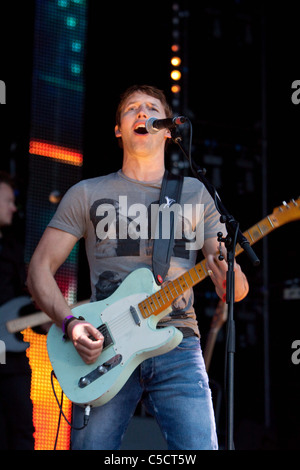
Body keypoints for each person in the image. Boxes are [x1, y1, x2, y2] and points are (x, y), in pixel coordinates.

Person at [27, 84, 249, 450]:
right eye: (132, 108)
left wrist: (228, 276)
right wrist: (71, 323)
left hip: (178, 345)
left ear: (167, 128)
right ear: (118, 129)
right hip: (104, 347)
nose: (142, 113)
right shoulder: (86, 193)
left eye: (151, 108)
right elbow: (38, 269)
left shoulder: (196, 192)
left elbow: (236, 291)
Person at [0, 171, 35, 450]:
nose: (14, 207)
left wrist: (58, 318)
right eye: (8, 200)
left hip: (10, 357)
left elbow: (24, 304)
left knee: (22, 431)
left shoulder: (13, 249)